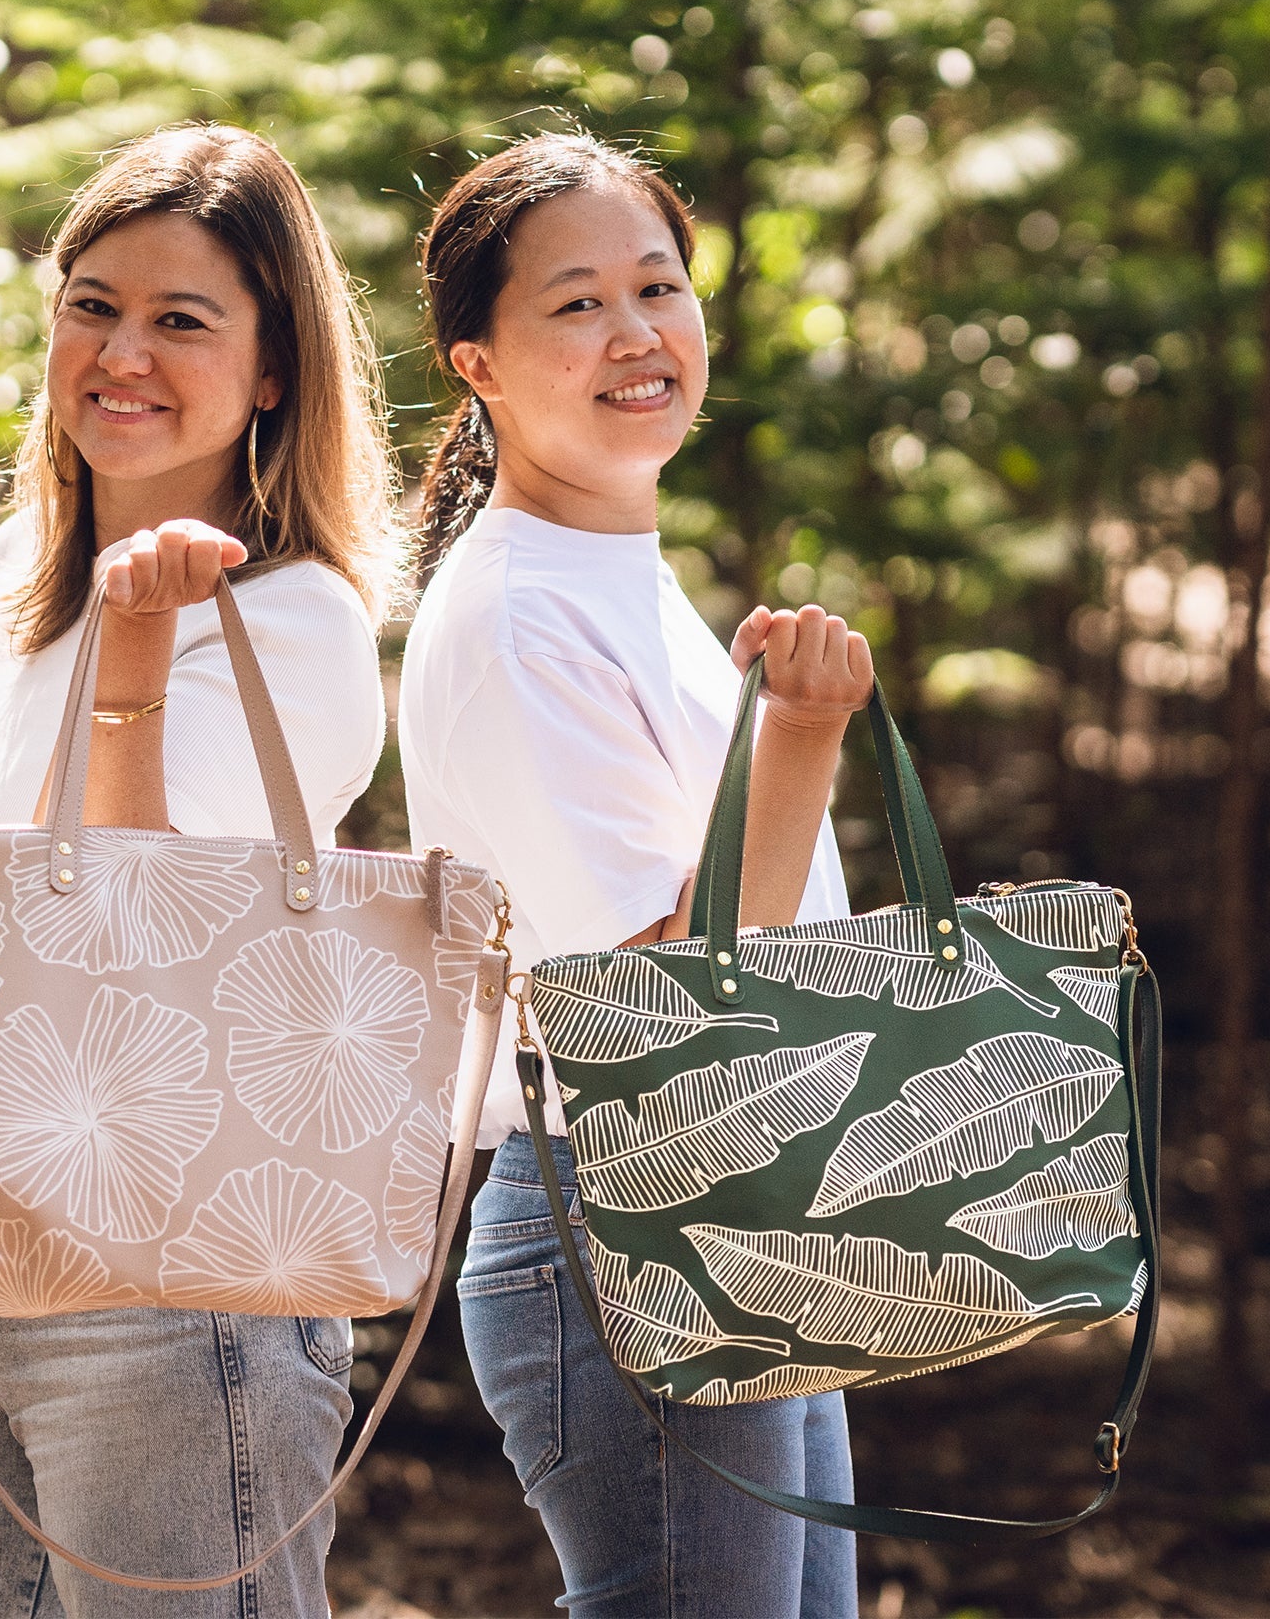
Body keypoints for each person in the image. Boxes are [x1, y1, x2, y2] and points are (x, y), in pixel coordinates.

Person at [0, 122, 400, 1618]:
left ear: (272, 370)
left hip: (173, 1296)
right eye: (93, 304)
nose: (122, 352)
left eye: (182, 319)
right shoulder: (12, 583)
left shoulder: (296, 623)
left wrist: (143, 652)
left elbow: (136, 947)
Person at [399, 131, 869, 1618]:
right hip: (623, 1222)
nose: (637, 333)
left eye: (658, 286)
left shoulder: (616, 569)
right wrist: (798, 736)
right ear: (477, 361)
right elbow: (664, 1001)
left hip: (741, 1201)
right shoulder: (517, 611)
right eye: (578, 303)